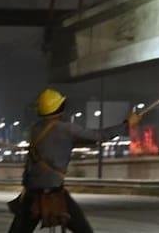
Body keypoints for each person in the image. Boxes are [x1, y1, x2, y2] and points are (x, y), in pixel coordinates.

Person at [7, 88, 138, 233]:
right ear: (59, 107)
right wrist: (127, 125)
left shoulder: (35, 130)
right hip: (55, 194)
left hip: (30, 196)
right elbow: (100, 135)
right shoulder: (67, 130)